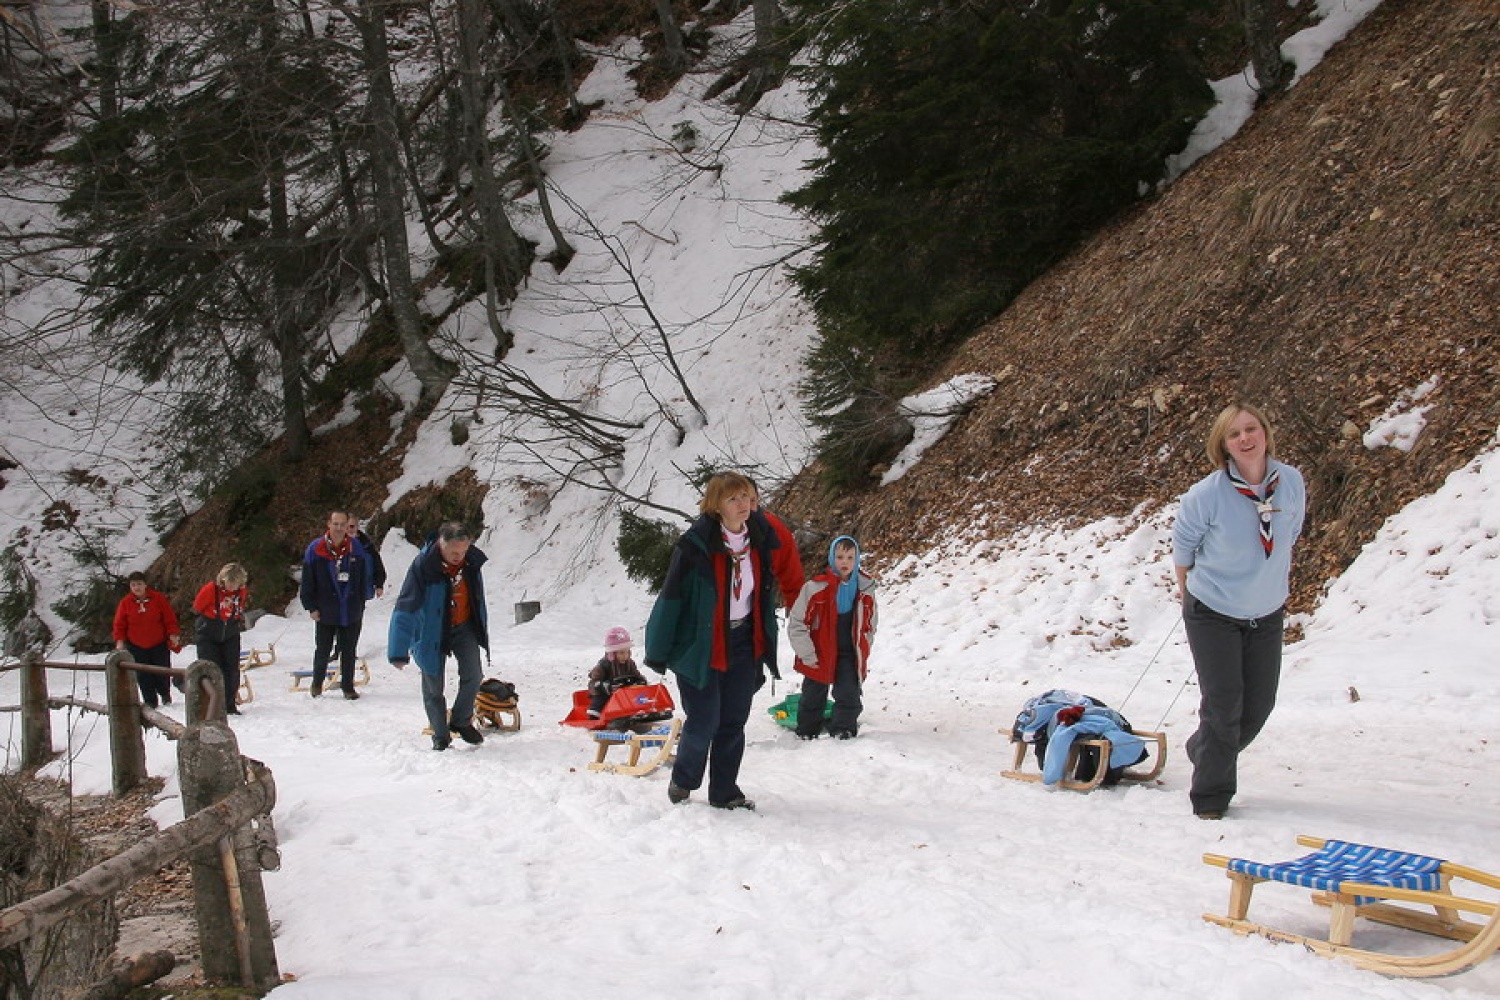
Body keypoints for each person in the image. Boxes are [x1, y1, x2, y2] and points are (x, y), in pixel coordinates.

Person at [1172, 403, 1306, 820]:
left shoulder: (1292, 482)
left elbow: (1292, 533)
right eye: (1235, 435)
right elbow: (1183, 551)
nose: (1245, 439)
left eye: (1251, 429)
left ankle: (1203, 748)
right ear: (1223, 446)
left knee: (1258, 705)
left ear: (1265, 432)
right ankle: (1211, 798)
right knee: (1224, 703)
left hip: (1265, 611)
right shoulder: (1206, 495)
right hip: (1212, 610)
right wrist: (1187, 596)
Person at [644, 471, 797, 810]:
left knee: (733, 720)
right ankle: (683, 780)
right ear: (716, 506)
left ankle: (725, 791)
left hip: (744, 640)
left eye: (747, 496)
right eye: (734, 499)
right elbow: (671, 599)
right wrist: (658, 649)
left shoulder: (761, 538)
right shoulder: (695, 546)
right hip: (702, 645)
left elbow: (774, 583)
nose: (745, 504)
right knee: (704, 720)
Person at [388, 522, 491, 751]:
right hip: (431, 629)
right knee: (434, 685)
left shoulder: (471, 562)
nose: (459, 556)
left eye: (463, 551)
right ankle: (440, 734)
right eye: (454, 552)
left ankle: (461, 720)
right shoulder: (424, 566)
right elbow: (405, 608)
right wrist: (398, 649)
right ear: (441, 545)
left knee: (474, 675)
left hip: (464, 625)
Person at [787, 535, 878, 740]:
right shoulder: (815, 588)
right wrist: (807, 652)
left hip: (849, 650)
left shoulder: (864, 588)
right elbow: (797, 622)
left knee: (849, 691)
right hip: (819, 649)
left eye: (849, 557)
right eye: (839, 557)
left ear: (857, 560)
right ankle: (808, 730)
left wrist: (865, 643)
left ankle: (843, 728)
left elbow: (870, 621)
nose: (844, 562)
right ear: (831, 558)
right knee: (813, 693)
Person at [300, 510, 374, 699]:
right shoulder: (315, 549)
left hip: (350, 607)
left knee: (349, 650)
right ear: (329, 524)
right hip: (326, 607)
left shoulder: (356, 547)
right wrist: (311, 606)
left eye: (343, 524)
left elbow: (365, 575)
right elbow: (308, 580)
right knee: (323, 648)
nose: (340, 528)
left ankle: (348, 687)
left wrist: (363, 598)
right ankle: (317, 684)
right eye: (336, 524)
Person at [112, 571, 182, 709]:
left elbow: (169, 618)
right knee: (143, 674)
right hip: (136, 645)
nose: (137, 588)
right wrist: (119, 641)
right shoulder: (125, 603)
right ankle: (150, 701)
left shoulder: (158, 598)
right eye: (133, 585)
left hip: (158, 642)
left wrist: (173, 634)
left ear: (145, 585)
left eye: (139, 584)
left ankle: (165, 693)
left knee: (162, 670)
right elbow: (119, 624)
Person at [193, 563, 250, 715]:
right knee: (210, 668)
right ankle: (210, 704)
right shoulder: (211, 590)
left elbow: (240, 608)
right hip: (209, 632)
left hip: (230, 632)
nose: (232, 587)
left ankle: (229, 704)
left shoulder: (241, 592)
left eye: (235, 583)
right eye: (229, 583)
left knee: (231, 669)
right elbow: (197, 606)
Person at [587, 626, 646, 718]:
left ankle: (641, 709)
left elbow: (636, 675)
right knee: (600, 697)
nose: (625, 656)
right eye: (621, 653)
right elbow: (592, 684)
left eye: (627, 652)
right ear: (612, 653)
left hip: (624, 693)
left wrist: (641, 680)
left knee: (637, 692)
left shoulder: (630, 664)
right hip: (607, 694)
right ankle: (595, 715)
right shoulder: (603, 665)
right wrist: (604, 686)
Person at [349, 515, 388, 599]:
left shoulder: (367, 547)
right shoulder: (335, 546)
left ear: (357, 527)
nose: (349, 530)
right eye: (345, 527)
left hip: (361, 593)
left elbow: (378, 567)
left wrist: (379, 585)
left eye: (352, 526)